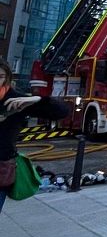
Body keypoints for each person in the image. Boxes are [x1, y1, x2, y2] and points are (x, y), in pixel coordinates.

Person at [0, 60, 67, 212]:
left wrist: (37, 99)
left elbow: (61, 112)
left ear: (7, 78)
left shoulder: (15, 100)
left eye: (0, 76)